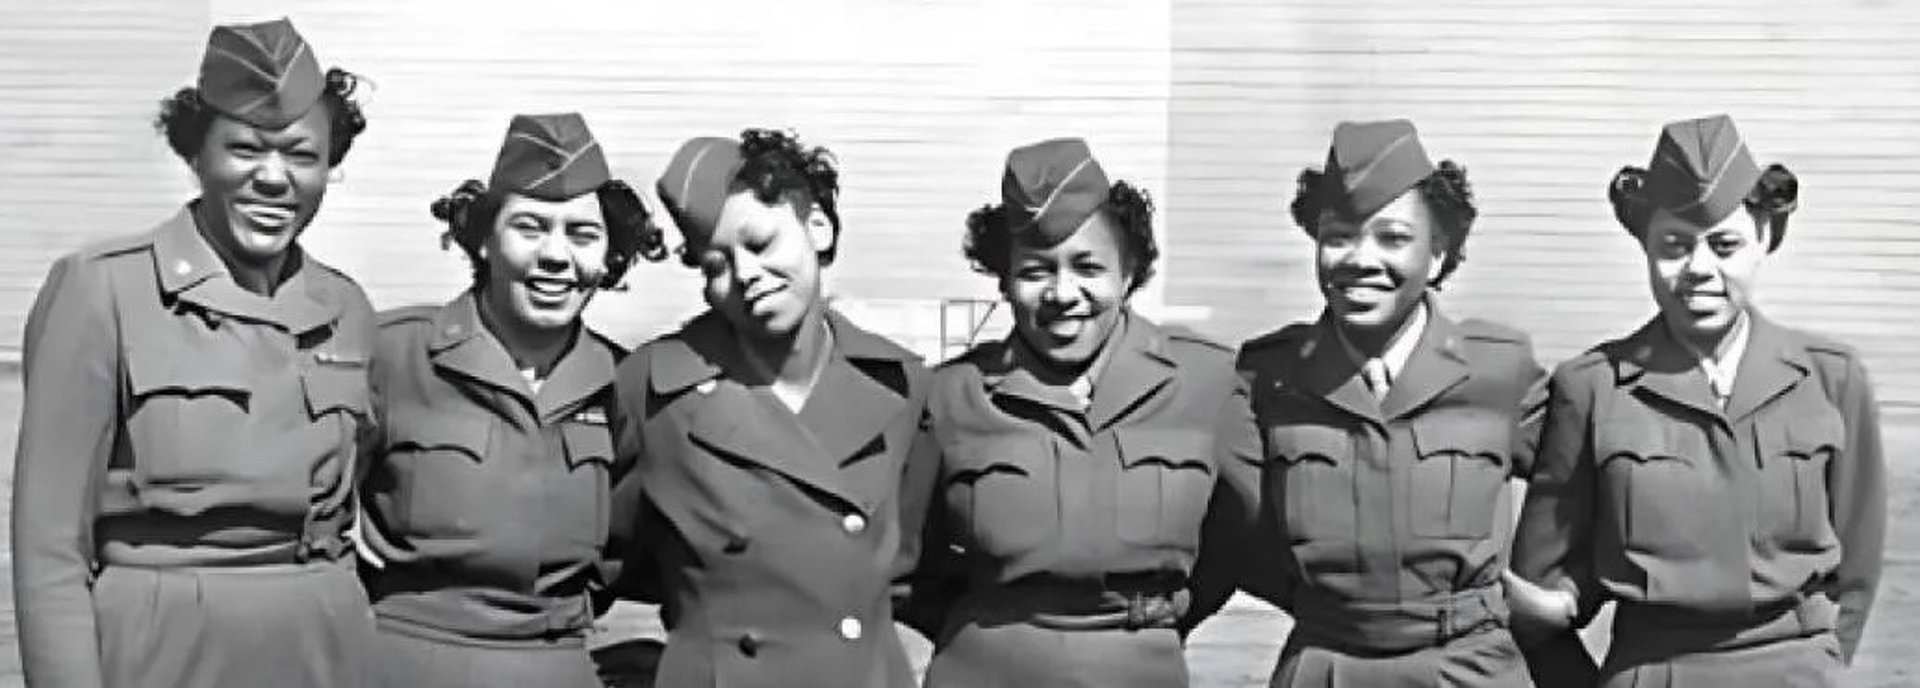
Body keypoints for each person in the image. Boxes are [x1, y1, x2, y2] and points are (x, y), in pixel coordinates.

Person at [10, 18, 376, 688]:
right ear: (196, 154)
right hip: (162, 651)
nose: (274, 179)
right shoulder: (102, 288)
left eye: (302, 156)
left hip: (324, 651)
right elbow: (49, 549)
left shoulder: (345, 309)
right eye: (244, 149)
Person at [1510, 114, 1886, 688]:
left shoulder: (1832, 380)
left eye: (1724, 244)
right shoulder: (1590, 389)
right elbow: (1537, 599)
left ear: (1765, 237)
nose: (1699, 270)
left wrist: (1824, 669)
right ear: (1645, 247)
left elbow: (1855, 573)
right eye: (1674, 246)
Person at [896, 137, 1261, 687]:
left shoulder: (1205, 384)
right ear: (1004, 279)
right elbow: (903, 562)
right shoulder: (951, 395)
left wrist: (1156, 615)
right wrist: (993, 624)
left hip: (1139, 668)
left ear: (1129, 271)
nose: (1063, 293)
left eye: (1088, 267)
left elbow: (1243, 535)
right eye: (1036, 271)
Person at [603, 129, 930, 687]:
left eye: (760, 244)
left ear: (818, 227)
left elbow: (911, 568)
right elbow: (606, 560)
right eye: (716, 265)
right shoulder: (653, 390)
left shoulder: (902, 387)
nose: (746, 275)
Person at [1231, 119, 1547, 686]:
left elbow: (1586, 484)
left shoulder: (1501, 369)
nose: (1360, 259)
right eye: (1338, 235)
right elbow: (1238, 534)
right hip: (1327, 664)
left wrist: (1559, 596)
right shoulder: (1268, 376)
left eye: (1393, 238)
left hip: (1467, 666)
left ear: (1438, 254)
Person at [355, 113, 666, 686]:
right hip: (407, 660)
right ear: (485, 241)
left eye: (582, 234)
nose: (555, 257)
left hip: (557, 660)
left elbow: (622, 553)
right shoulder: (393, 353)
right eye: (530, 228)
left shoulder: (620, 381)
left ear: (609, 256)